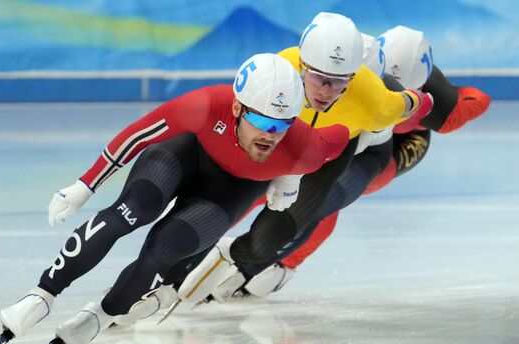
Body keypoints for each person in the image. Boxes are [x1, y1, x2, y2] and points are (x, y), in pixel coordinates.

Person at [0, 52, 352, 344]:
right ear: (237, 107)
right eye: (260, 120)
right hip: (185, 155)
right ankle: (41, 295)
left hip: (232, 190)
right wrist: (85, 185)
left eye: (282, 125)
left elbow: (343, 135)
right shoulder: (207, 104)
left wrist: (292, 173)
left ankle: (100, 316)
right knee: (131, 210)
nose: (269, 135)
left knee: (164, 248)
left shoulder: (305, 148)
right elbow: (135, 135)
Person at [111, 12, 431, 321]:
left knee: (301, 217)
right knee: (229, 202)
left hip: (344, 150)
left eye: (340, 84)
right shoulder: (283, 67)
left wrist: (416, 102)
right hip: (292, 138)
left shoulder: (377, 101)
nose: (326, 92)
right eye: (319, 78)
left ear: (357, 79)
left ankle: (243, 259)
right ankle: (154, 279)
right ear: (304, 64)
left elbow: (425, 105)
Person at [209, 25, 492, 301]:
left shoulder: (436, 108)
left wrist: (452, 93)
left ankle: (273, 264)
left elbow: (475, 103)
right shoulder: (354, 67)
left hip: (393, 146)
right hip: (353, 131)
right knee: (281, 185)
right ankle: (250, 254)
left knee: (322, 199)